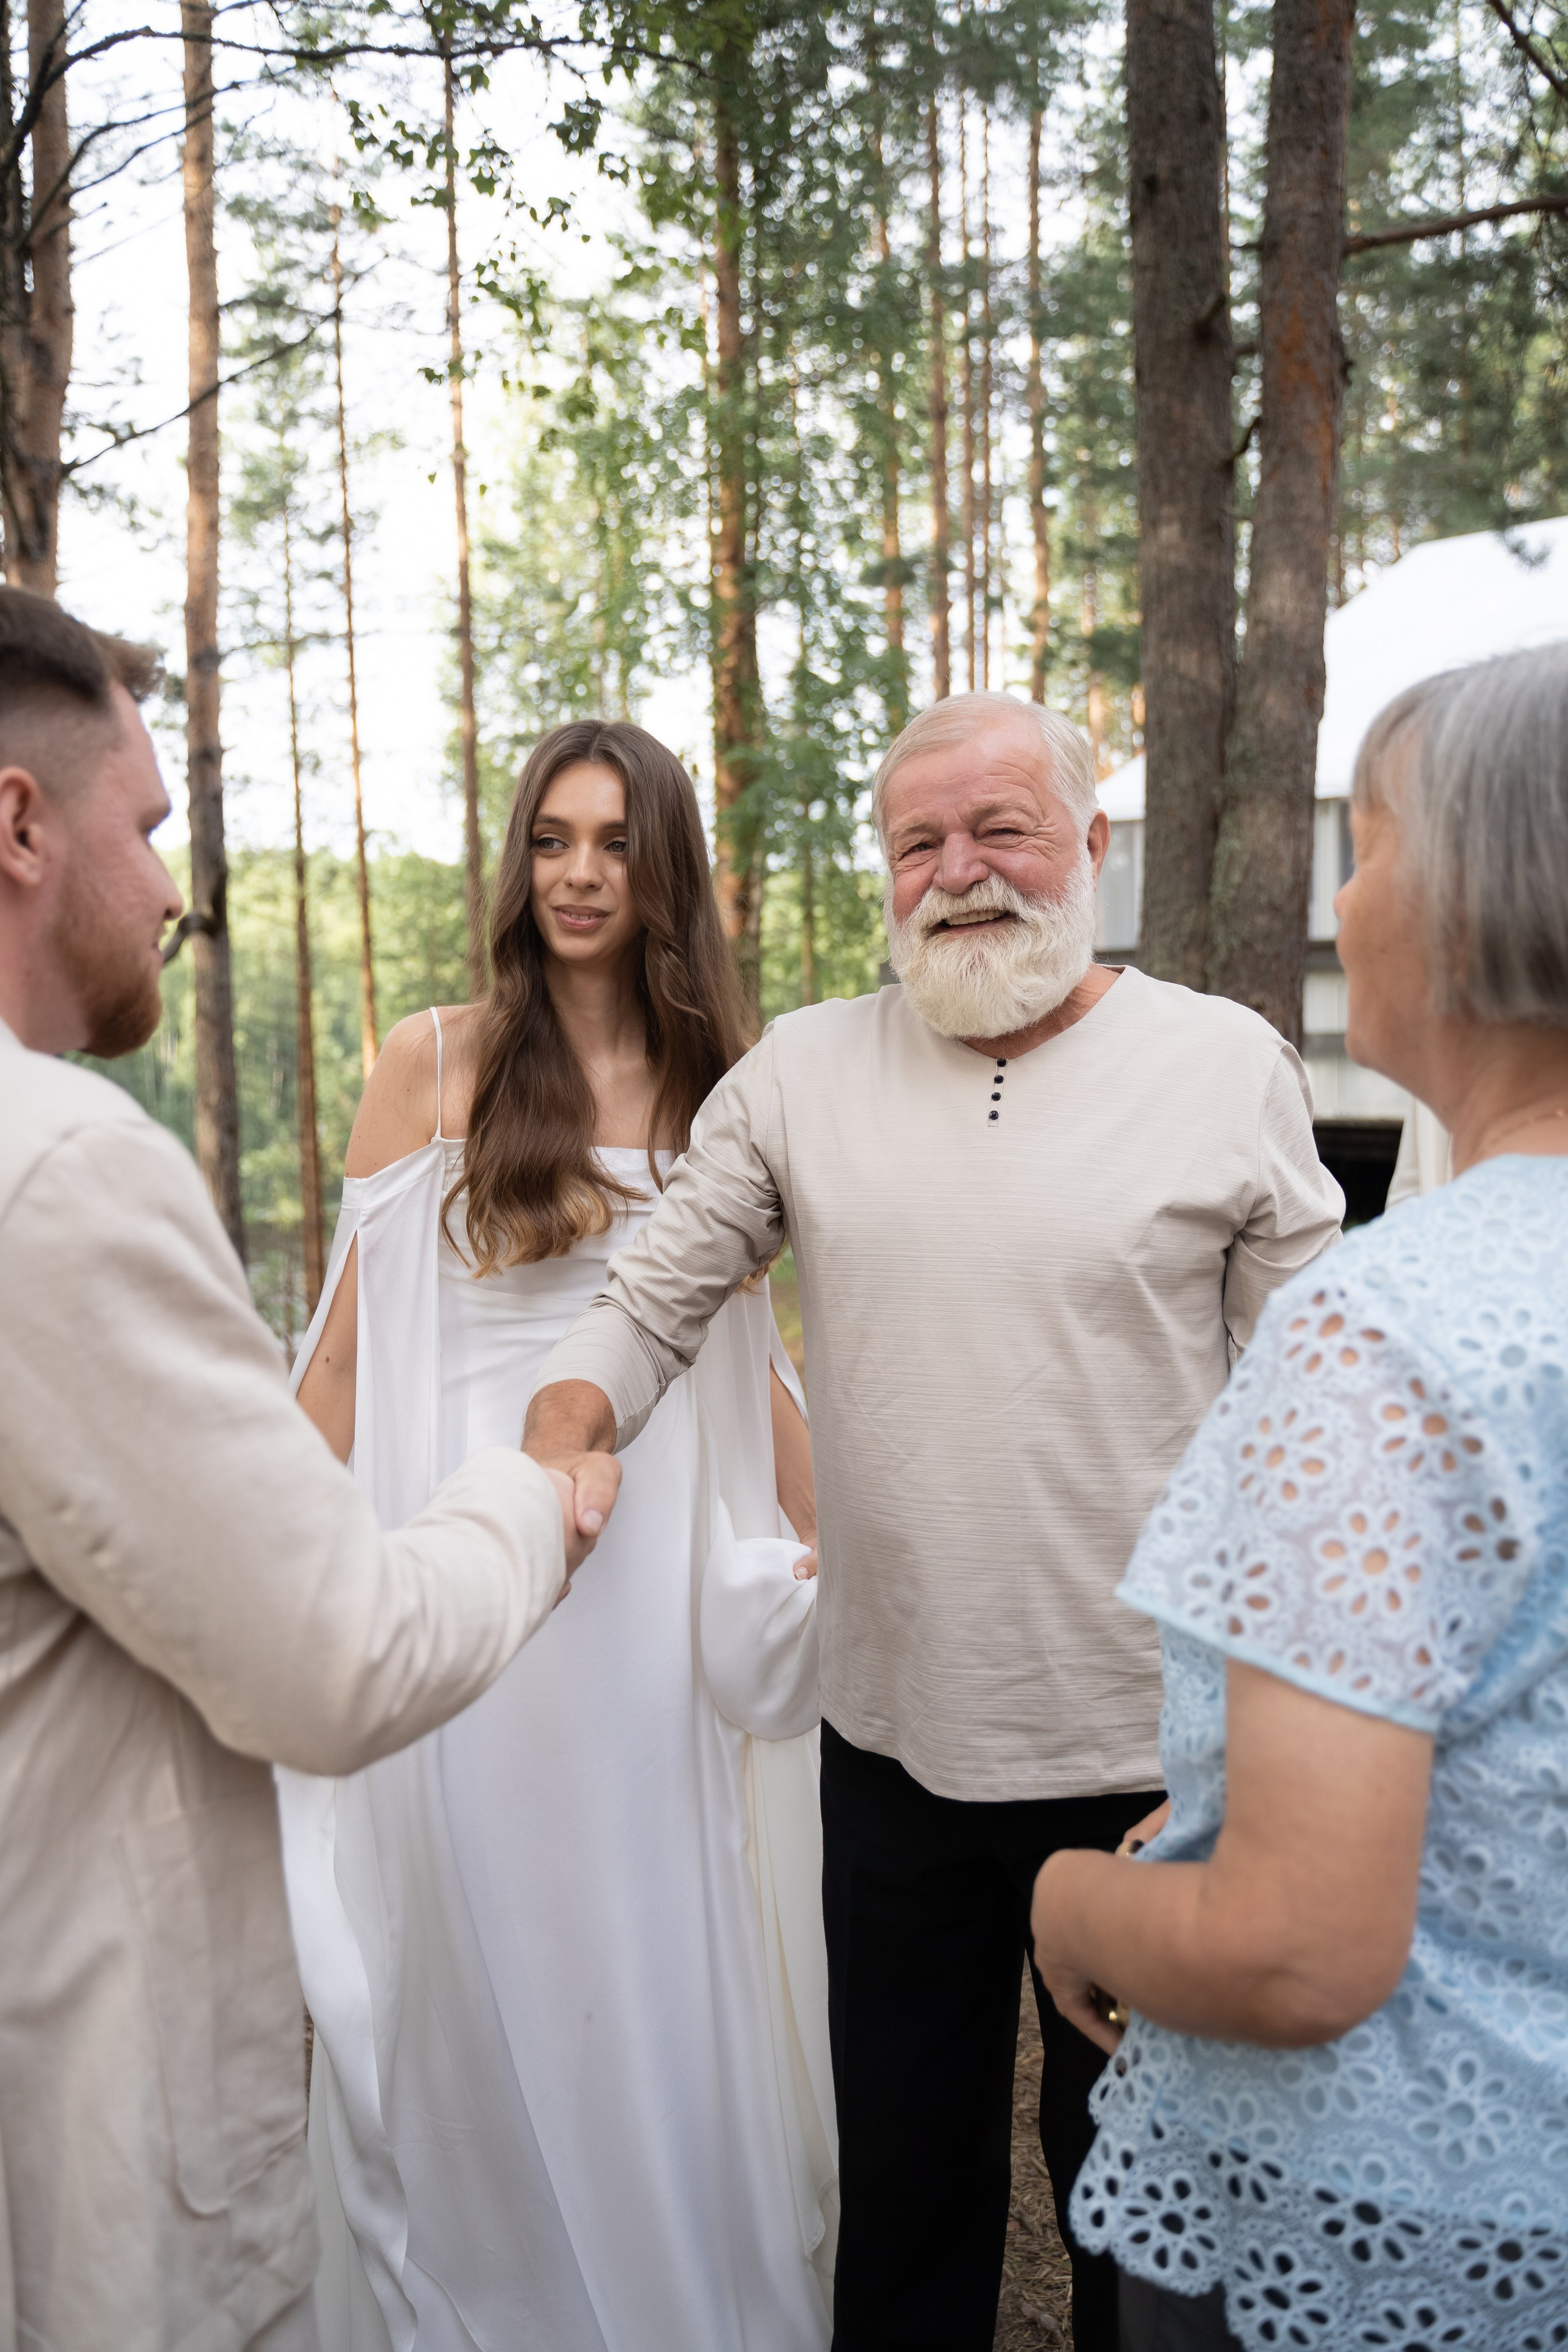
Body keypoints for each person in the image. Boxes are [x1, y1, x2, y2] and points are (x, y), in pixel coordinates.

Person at [524, 690, 1346, 2352]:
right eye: (920, 843)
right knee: (905, 2203)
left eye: (1003, 831)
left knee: (1145, 2219)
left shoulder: (1224, 1065)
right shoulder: (805, 1071)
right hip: (892, 1741)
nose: (960, 873)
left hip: (1152, 1756)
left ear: (1091, 847)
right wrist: (565, 1429)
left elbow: (1315, 1414)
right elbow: (657, 1292)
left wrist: (1267, 1733)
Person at [0, 587, 585, 2352]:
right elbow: (336, 1661)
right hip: (77, 2139)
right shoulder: (60, 1171)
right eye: (147, 829)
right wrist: (528, 1495)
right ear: (20, 825)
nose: (172, 893)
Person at [1031, 643, 1568, 2352]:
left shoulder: (1390, 1325)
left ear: (1484, 893)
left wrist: (1073, 1904)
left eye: (1372, 843)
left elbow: (1296, 1951)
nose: (1344, 899)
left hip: (1386, 2224)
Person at [282, 718, 837, 2352]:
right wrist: (276, 1564)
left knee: (655, 1938)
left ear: (667, 869)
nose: (580, 874)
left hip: (650, 1589)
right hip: (475, 1564)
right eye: (550, 840)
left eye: (614, 842)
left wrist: (847, 1539)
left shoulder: (728, 1088)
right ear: (519, 861)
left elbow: (752, 1355)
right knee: (466, 1929)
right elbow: (343, 1352)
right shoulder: (433, 1063)